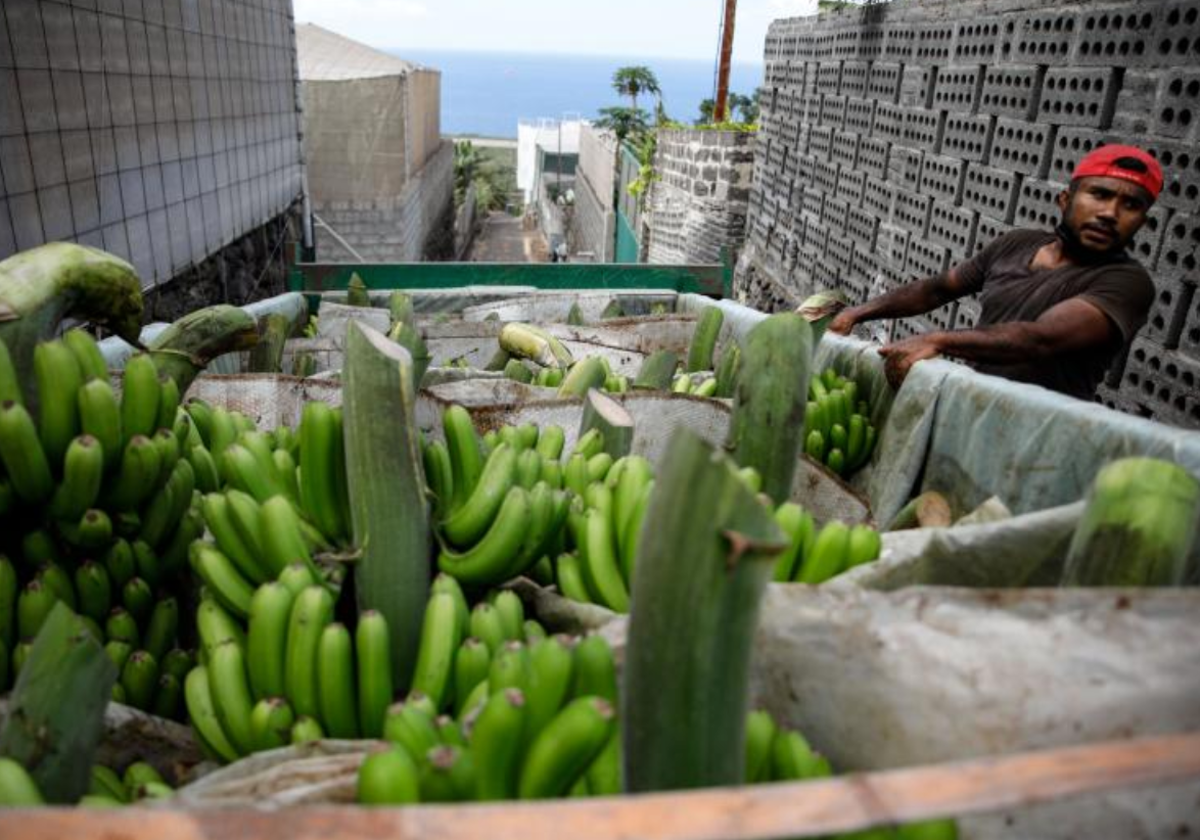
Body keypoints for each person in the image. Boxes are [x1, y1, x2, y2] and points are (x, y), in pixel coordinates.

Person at [828, 145, 1164, 400]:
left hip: (1042, 428)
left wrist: (939, 339)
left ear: (1142, 222)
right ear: (1065, 200)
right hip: (974, 401)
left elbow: (1039, 339)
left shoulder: (1127, 284)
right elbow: (938, 290)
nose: (1110, 213)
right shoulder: (1017, 245)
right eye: (1099, 194)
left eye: (1131, 205)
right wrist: (856, 314)